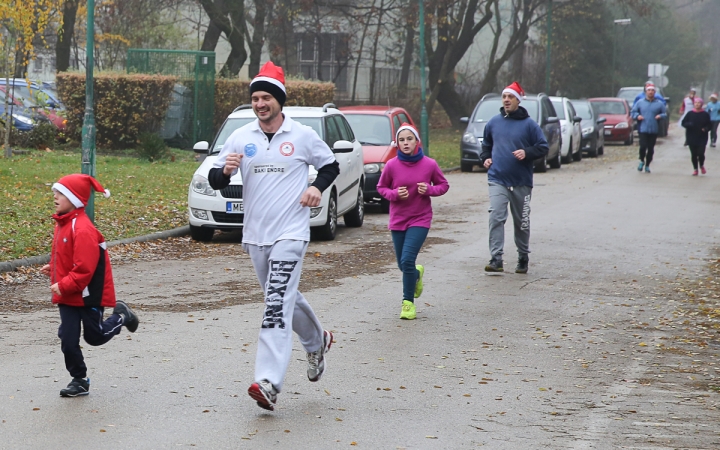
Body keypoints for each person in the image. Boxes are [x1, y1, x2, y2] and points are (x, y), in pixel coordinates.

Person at [208, 61, 339, 412]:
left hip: (291, 232)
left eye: (266, 97)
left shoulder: (302, 135)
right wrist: (225, 171)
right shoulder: (241, 137)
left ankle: (268, 382)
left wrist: (316, 187)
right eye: (255, 98)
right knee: (282, 297)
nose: (260, 104)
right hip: (255, 235)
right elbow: (216, 180)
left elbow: (330, 166)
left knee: (275, 303)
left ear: (280, 100)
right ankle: (317, 341)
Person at [41, 174, 139, 398]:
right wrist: (53, 268)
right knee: (68, 339)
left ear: (74, 198)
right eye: (55, 192)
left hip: (86, 294)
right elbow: (67, 257)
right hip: (69, 294)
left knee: (94, 337)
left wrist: (63, 284)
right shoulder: (64, 222)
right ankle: (79, 380)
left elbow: (85, 269)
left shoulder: (82, 229)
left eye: (61, 193)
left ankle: (122, 316)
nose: (55, 196)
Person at [376, 123, 449, 320]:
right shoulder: (391, 165)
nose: (406, 143)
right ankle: (416, 274)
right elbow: (381, 187)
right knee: (404, 265)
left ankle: (407, 303)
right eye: (402, 140)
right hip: (398, 219)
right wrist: (394, 194)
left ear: (417, 141)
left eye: (409, 139)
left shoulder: (429, 164)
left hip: (420, 218)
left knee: (407, 260)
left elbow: (443, 185)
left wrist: (430, 189)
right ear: (397, 144)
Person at [480, 81, 549, 274]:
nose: (507, 100)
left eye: (510, 97)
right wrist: (485, 158)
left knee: (521, 222)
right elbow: (486, 145)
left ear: (518, 100)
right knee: (496, 217)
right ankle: (496, 259)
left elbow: (543, 147)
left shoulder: (529, 125)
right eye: (504, 97)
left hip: (521, 182)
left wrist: (526, 152)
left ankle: (523, 257)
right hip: (497, 179)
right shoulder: (494, 122)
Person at [631, 83, 667, 173]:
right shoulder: (640, 102)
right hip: (643, 128)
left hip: (654, 129)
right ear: (646, 92)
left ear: (655, 92)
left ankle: (647, 165)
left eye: (652, 90)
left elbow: (665, 114)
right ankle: (641, 161)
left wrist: (660, 116)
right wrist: (637, 116)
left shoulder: (659, 104)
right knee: (643, 146)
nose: (650, 92)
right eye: (649, 90)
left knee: (650, 148)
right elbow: (633, 112)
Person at [682, 97, 711, 175]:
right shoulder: (690, 114)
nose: (697, 104)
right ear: (694, 104)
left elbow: (709, 125)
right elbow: (683, 123)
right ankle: (695, 169)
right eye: (696, 103)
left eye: (699, 103)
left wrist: (705, 129)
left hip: (702, 137)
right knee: (694, 154)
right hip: (691, 136)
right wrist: (689, 125)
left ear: (701, 104)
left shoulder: (705, 114)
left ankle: (701, 165)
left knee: (701, 153)